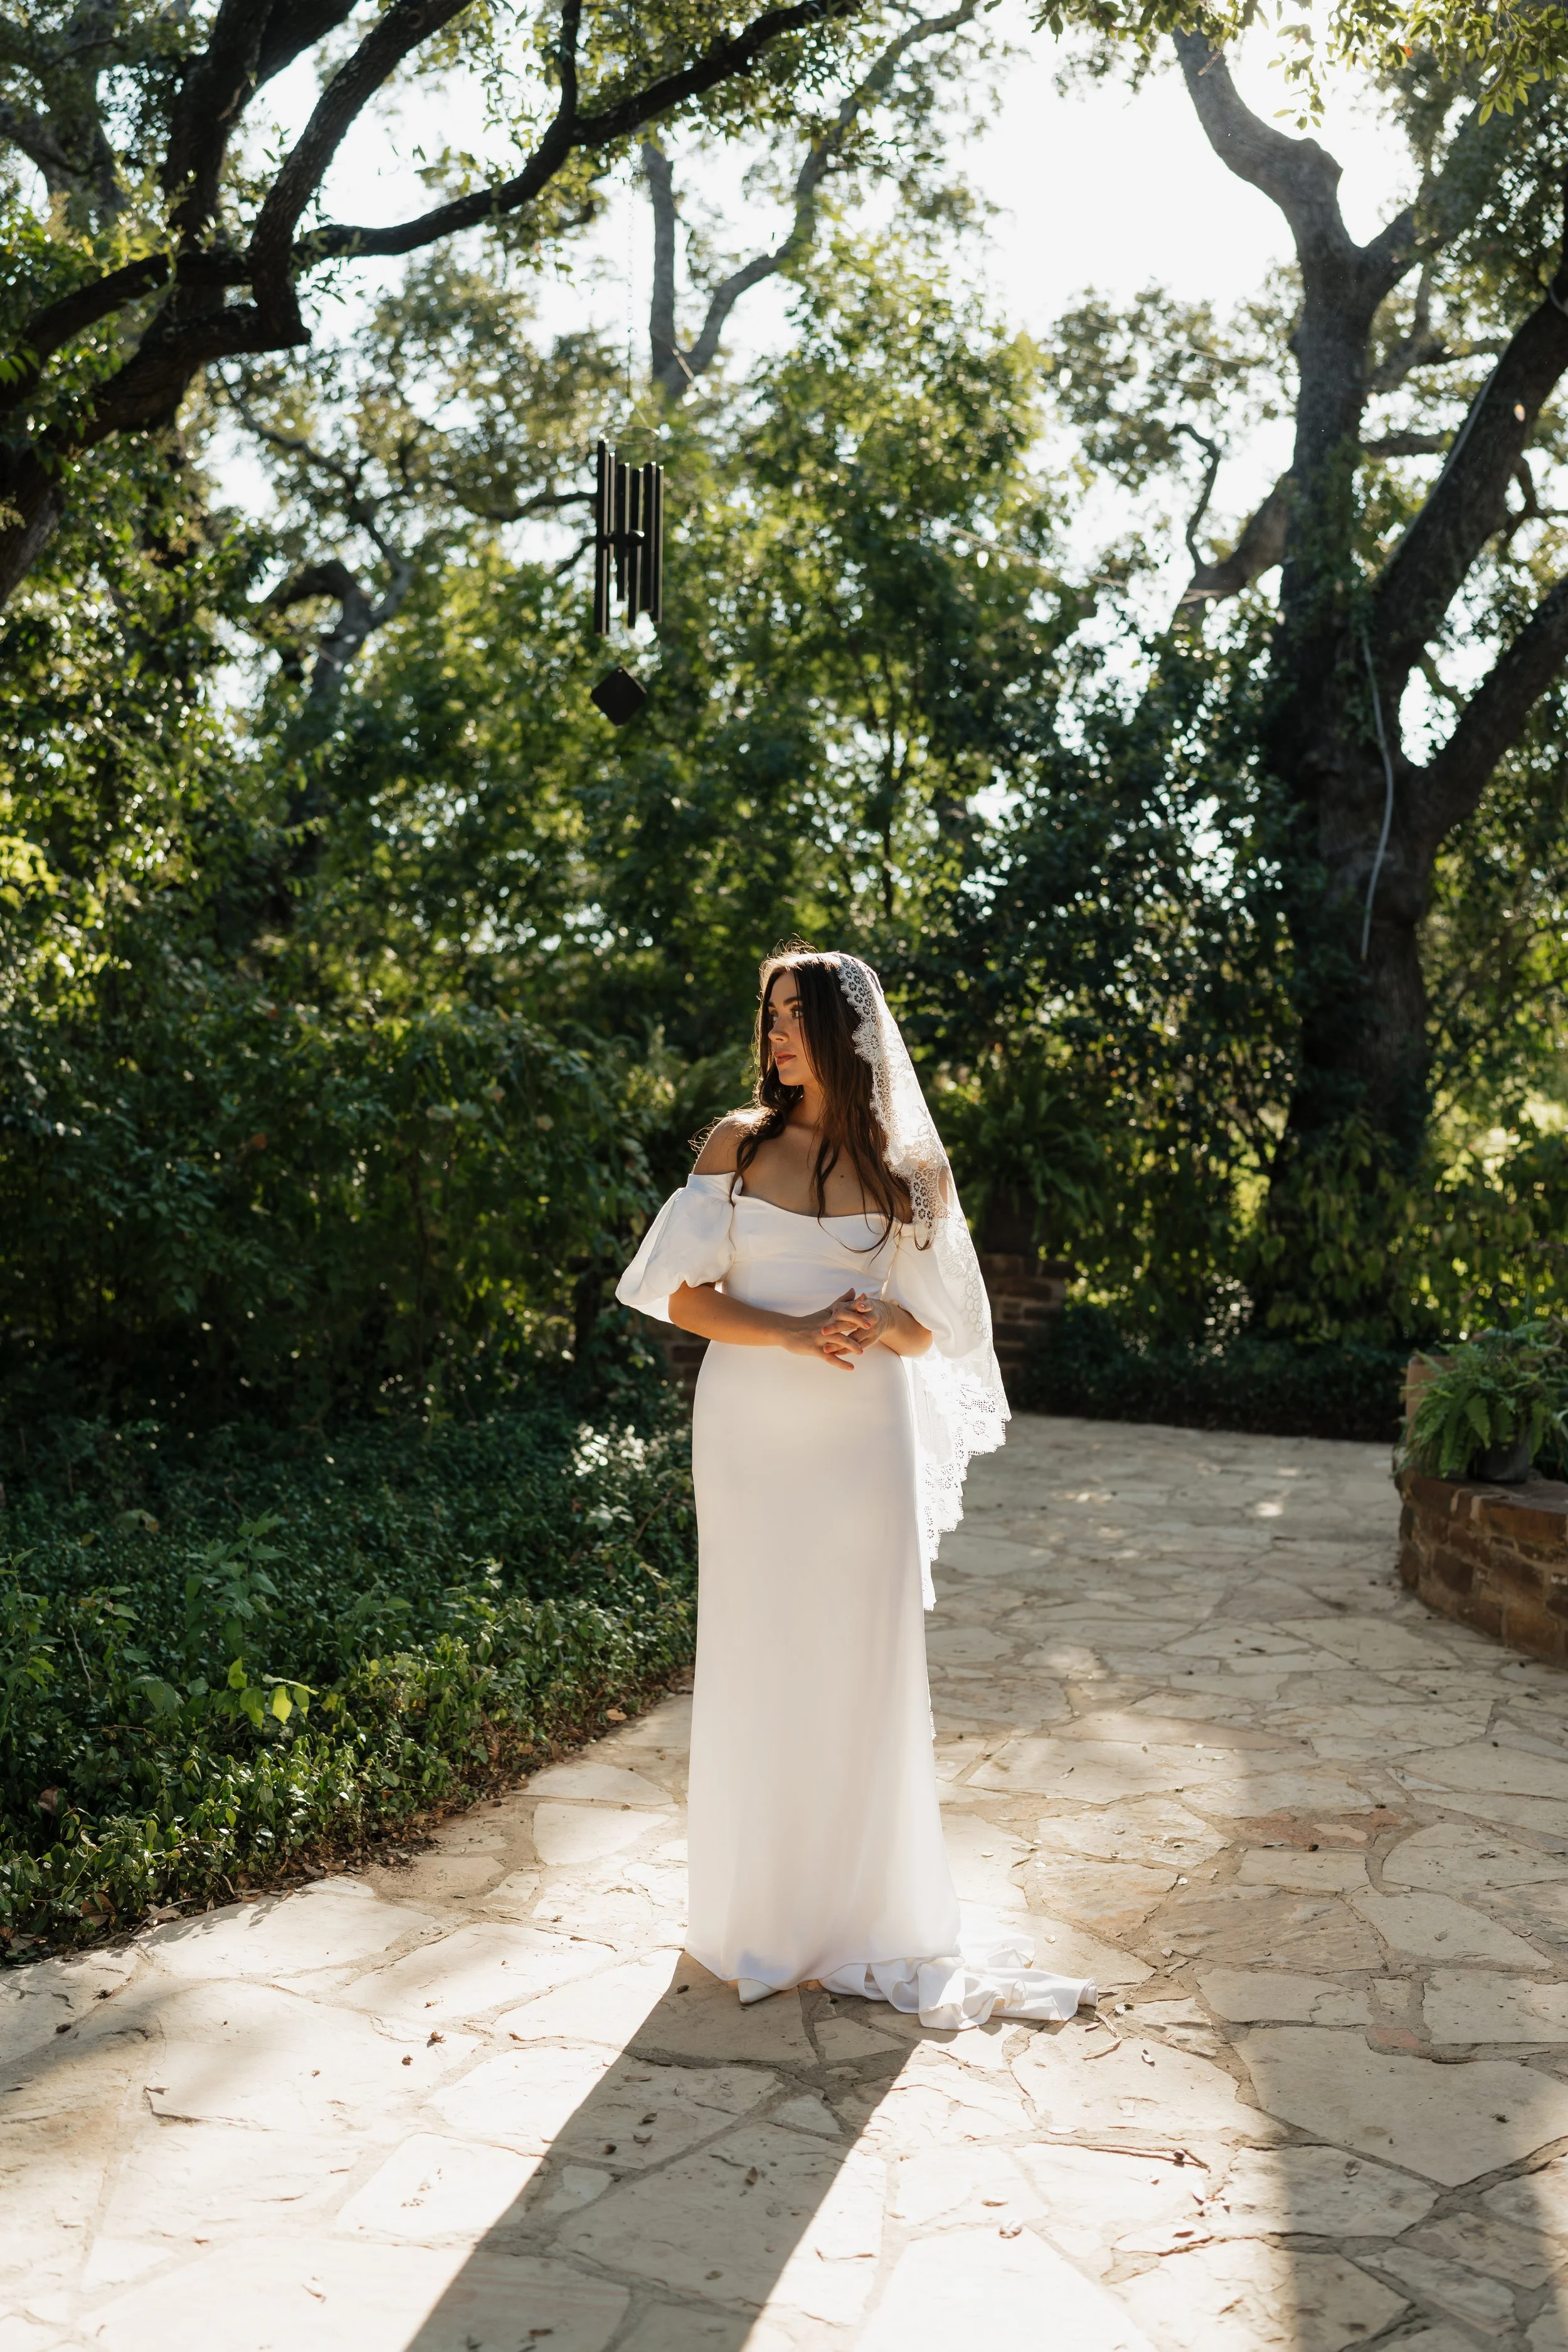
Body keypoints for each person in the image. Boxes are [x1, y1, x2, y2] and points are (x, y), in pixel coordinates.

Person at [616, 946, 1094, 2030]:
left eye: (796, 1014)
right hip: (750, 1427)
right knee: (758, 1645)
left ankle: (868, 1910)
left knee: (862, 1651)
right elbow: (681, 1297)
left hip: (862, 1431)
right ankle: (760, 1913)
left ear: (846, 1028)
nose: (777, 1033)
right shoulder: (739, 1145)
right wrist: (791, 1330)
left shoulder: (913, 1170)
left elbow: (937, 1329)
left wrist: (880, 1319)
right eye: (770, 1013)